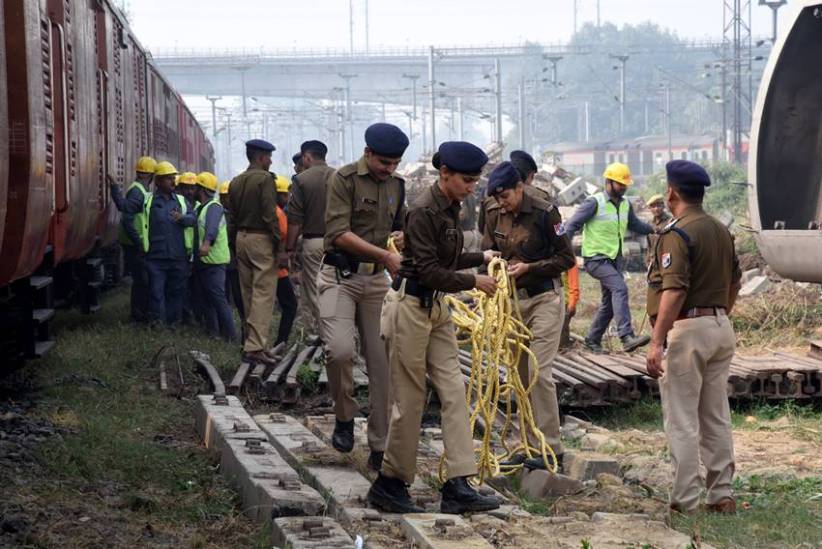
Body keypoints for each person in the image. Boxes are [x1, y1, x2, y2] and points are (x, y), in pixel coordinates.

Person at [367, 141, 500, 515]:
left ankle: (459, 483)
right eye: (468, 181)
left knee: (454, 393)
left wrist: (481, 257)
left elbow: (445, 257)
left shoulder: (450, 206)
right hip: (410, 307)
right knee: (409, 400)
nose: (473, 187)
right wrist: (475, 282)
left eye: (475, 181)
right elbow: (426, 269)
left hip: (436, 308)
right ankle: (390, 483)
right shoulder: (424, 210)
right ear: (445, 176)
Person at [646, 160, 741, 515]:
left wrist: (657, 341)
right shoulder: (719, 229)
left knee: (682, 418)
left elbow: (673, 291)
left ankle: (685, 500)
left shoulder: (678, 233)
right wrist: (720, 315)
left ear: (671, 192)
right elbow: (735, 283)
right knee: (715, 415)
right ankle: (722, 495)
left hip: (688, 332)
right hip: (719, 328)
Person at [320, 123, 407, 470]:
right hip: (339, 276)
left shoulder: (397, 186)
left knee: (383, 363)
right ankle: (343, 417)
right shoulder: (343, 179)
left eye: (395, 163)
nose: (389, 169)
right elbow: (338, 233)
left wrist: (399, 240)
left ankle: (379, 446)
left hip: (375, 283)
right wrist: (385, 255)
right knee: (339, 351)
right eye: (384, 162)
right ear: (368, 153)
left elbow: (400, 227)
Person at [482, 161, 576, 470]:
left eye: (506, 196)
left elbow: (566, 258)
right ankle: (528, 443)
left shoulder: (545, 211)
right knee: (520, 377)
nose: (503, 204)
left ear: (520, 187)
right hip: (511, 301)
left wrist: (529, 268)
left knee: (539, 374)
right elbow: (488, 250)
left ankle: (551, 448)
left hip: (545, 299)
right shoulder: (493, 211)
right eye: (498, 199)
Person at [564, 162, 654, 353]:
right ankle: (626, 336)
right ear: (608, 182)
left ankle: (592, 340)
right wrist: (563, 251)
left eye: (625, 184)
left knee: (610, 303)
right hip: (595, 259)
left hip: (614, 260)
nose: (623, 187)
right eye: (619, 184)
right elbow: (571, 225)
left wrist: (654, 229)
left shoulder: (624, 204)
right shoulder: (594, 202)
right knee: (620, 288)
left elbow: (635, 224)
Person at [227, 139, 281, 365]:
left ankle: (255, 343)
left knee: (248, 292)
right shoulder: (265, 179)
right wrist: (278, 242)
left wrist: (234, 242)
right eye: (268, 157)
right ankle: (256, 347)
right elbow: (270, 213)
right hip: (261, 238)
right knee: (264, 293)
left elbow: (232, 215)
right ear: (261, 157)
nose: (270, 161)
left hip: (241, 238)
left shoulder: (236, 181)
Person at [287, 140, 335, 336]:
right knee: (336, 291)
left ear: (307, 157)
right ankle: (342, 336)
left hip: (314, 242)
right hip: (340, 241)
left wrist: (289, 249)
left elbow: (295, 220)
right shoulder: (339, 176)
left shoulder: (301, 180)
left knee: (317, 292)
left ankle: (328, 337)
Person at [140, 161, 196, 326]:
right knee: (156, 292)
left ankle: (174, 324)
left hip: (178, 256)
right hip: (156, 257)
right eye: (168, 179)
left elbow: (193, 219)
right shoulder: (148, 201)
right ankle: (158, 324)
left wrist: (182, 219)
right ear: (158, 182)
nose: (173, 182)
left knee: (176, 292)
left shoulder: (181, 201)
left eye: (174, 178)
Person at [110, 156, 156, 323]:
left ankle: (141, 315)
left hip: (136, 243)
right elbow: (128, 218)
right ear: (149, 175)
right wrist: (139, 242)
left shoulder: (140, 189)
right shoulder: (137, 191)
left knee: (142, 281)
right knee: (141, 281)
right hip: (135, 245)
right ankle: (138, 317)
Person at [193, 172, 237, 342]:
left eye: (197, 187)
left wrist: (206, 244)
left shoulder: (213, 207)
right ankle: (214, 332)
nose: (194, 190)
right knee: (208, 299)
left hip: (214, 261)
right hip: (206, 262)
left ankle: (231, 336)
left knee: (218, 299)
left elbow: (211, 228)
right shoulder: (201, 207)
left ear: (202, 189)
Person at [478, 150, 549, 245]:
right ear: (531, 176)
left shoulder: (488, 195)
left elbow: (482, 228)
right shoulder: (543, 197)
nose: (501, 202)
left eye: (505, 196)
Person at [274, 175, 298, 346]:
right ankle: (281, 342)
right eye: (284, 195)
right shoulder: (278, 214)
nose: (287, 198)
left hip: (273, 268)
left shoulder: (269, 211)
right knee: (290, 305)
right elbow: (283, 237)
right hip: (277, 270)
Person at [220, 181, 245, 339]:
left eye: (230, 197)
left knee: (237, 293)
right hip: (224, 259)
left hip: (235, 261)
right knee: (225, 293)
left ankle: (241, 322)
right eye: (225, 197)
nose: (227, 200)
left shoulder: (238, 214)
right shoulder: (220, 214)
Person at [646, 193, 672, 266]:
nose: (656, 209)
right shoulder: (649, 224)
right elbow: (649, 245)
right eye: (653, 206)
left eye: (658, 206)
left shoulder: (670, 222)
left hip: (667, 261)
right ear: (650, 208)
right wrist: (648, 261)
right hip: (653, 262)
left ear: (663, 206)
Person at [559, 264, 581, 349]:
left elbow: (574, 285)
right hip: (552, 302)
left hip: (565, 304)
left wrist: (572, 304)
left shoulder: (569, 260)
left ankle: (563, 347)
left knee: (561, 342)